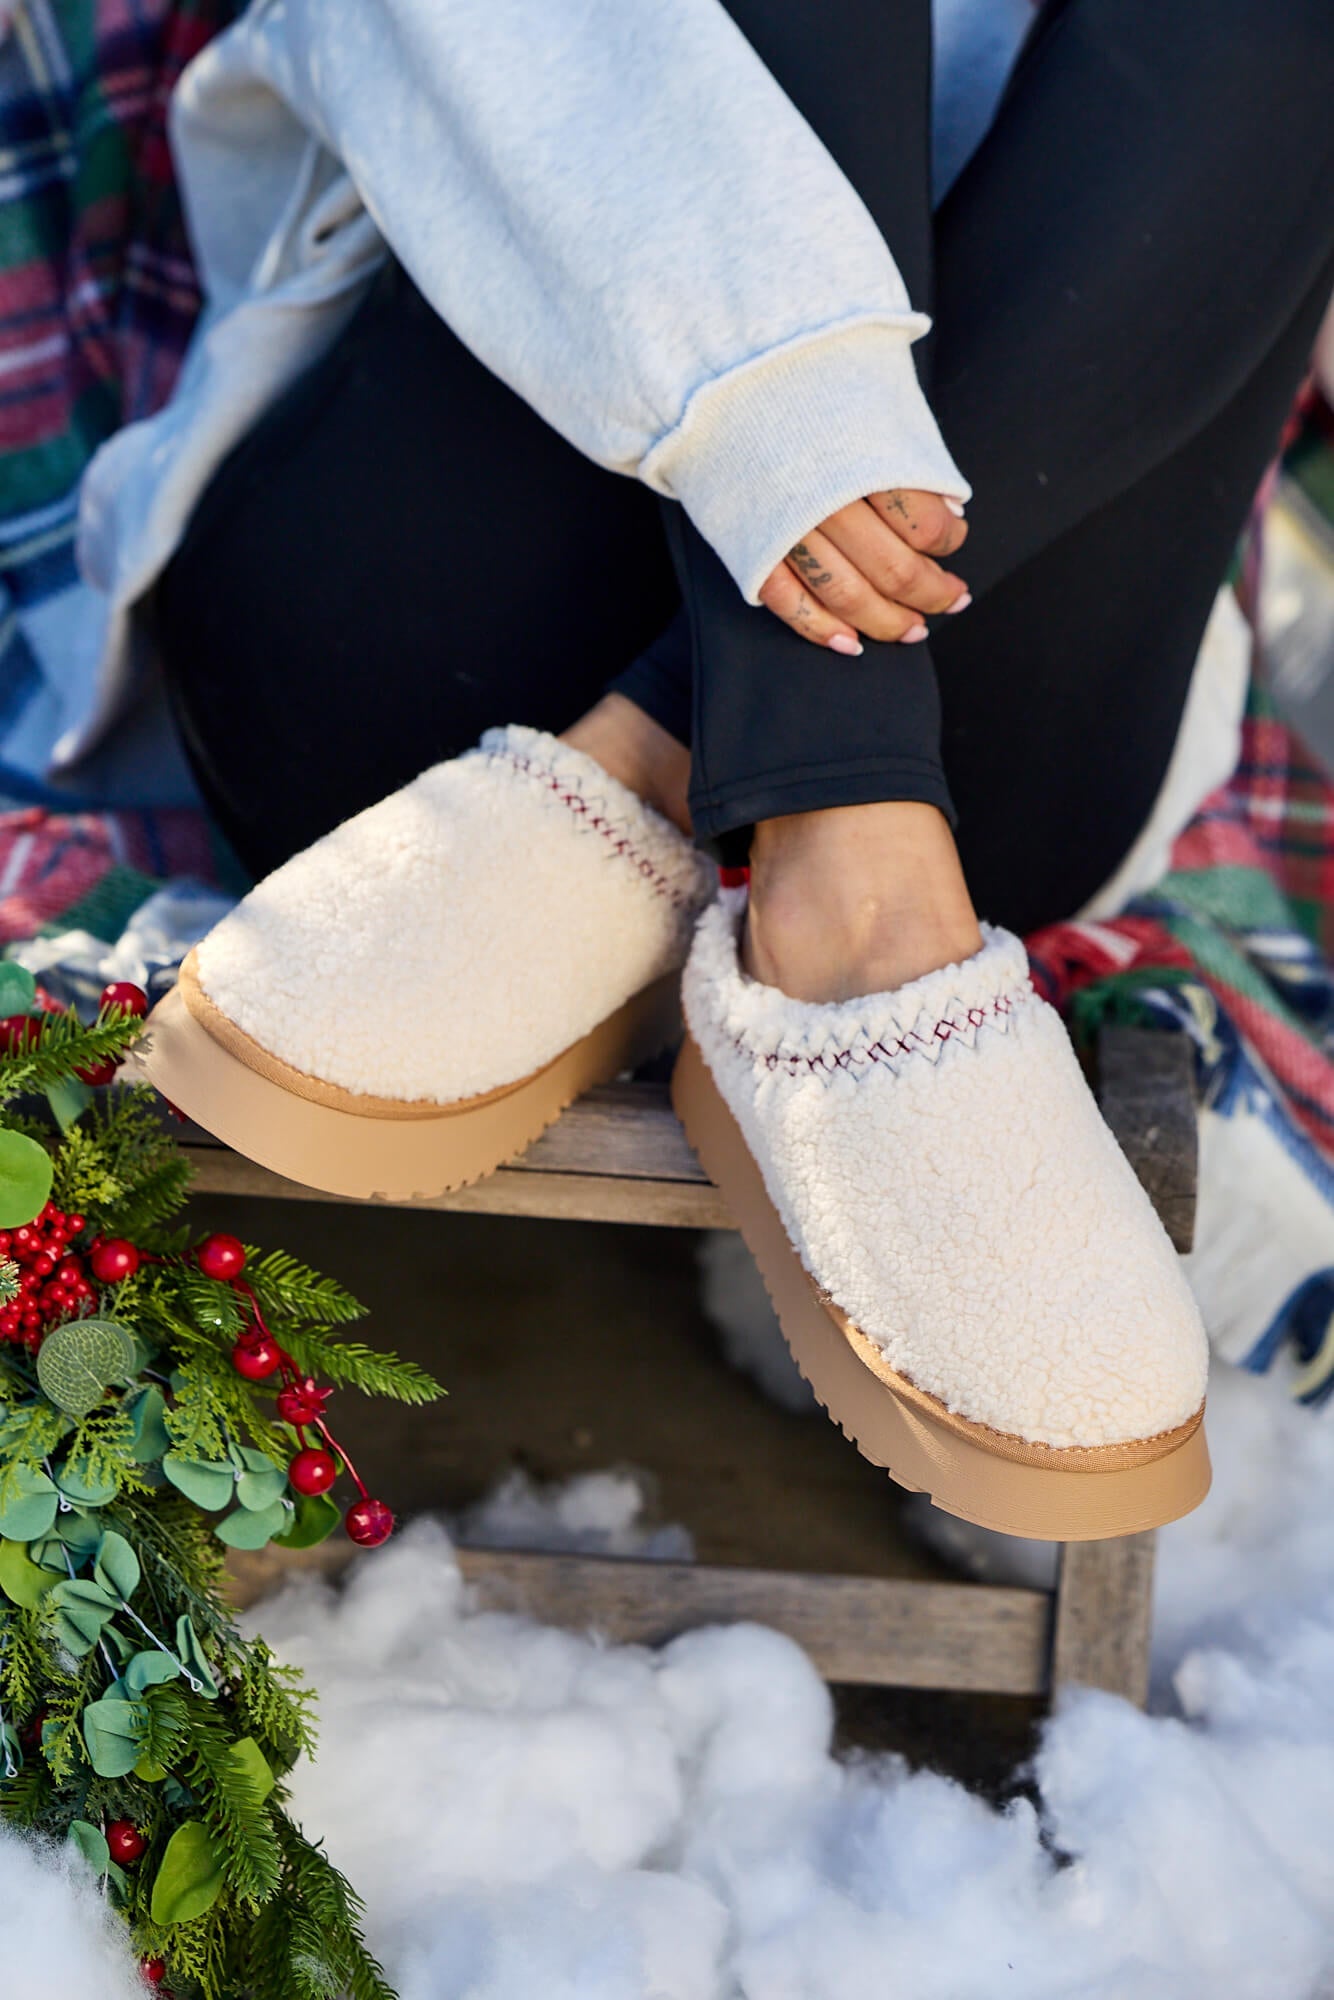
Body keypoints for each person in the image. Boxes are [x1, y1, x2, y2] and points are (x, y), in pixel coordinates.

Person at [91, 0, 1332, 1537]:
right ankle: (851, 886)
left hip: (1002, 721)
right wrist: (787, 436)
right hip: (431, 622)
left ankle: (721, 772)